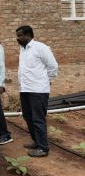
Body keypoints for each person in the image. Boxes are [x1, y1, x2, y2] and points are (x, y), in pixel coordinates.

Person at [16, 25, 58, 157]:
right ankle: (37, 141)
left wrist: (48, 80)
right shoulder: (22, 49)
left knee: (38, 119)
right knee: (28, 116)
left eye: (20, 35)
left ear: (28, 35)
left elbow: (53, 66)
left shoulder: (40, 48)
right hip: (25, 88)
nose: (17, 38)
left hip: (38, 90)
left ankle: (43, 148)